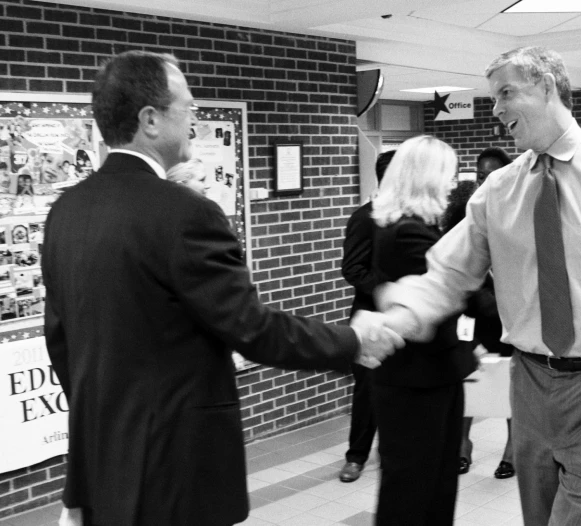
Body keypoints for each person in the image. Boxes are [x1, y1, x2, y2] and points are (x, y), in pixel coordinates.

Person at [42, 50, 401, 526]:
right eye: (187, 109)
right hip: (176, 467)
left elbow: (60, 340)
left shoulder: (66, 211)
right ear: (150, 120)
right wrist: (352, 340)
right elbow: (251, 327)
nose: (194, 122)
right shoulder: (183, 213)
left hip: (103, 458)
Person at [375, 46, 581, 525]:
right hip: (530, 386)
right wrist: (399, 318)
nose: (496, 109)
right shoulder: (499, 189)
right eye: (493, 98)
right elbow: (449, 273)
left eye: (507, 93)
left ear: (549, 87)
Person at [370, 135, 474, 525]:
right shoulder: (410, 232)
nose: (452, 184)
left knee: (427, 485)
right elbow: (449, 293)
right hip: (418, 383)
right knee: (417, 490)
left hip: (423, 378)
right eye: (448, 175)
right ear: (427, 177)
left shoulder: (402, 226)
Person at [457, 148, 517, 480]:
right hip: (475, 318)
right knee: (471, 385)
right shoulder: (466, 215)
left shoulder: (517, 212)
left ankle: (512, 452)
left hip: (511, 321)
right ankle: (462, 447)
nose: (485, 181)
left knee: (511, 390)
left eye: (492, 174)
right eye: (480, 175)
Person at [338, 149, 396, 483]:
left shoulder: (413, 218)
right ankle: (356, 456)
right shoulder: (364, 217)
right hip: (370, 318)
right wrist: (389, 290)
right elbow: (352, 269)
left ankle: (391, 450)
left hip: (406, 317)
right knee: (367, 388)